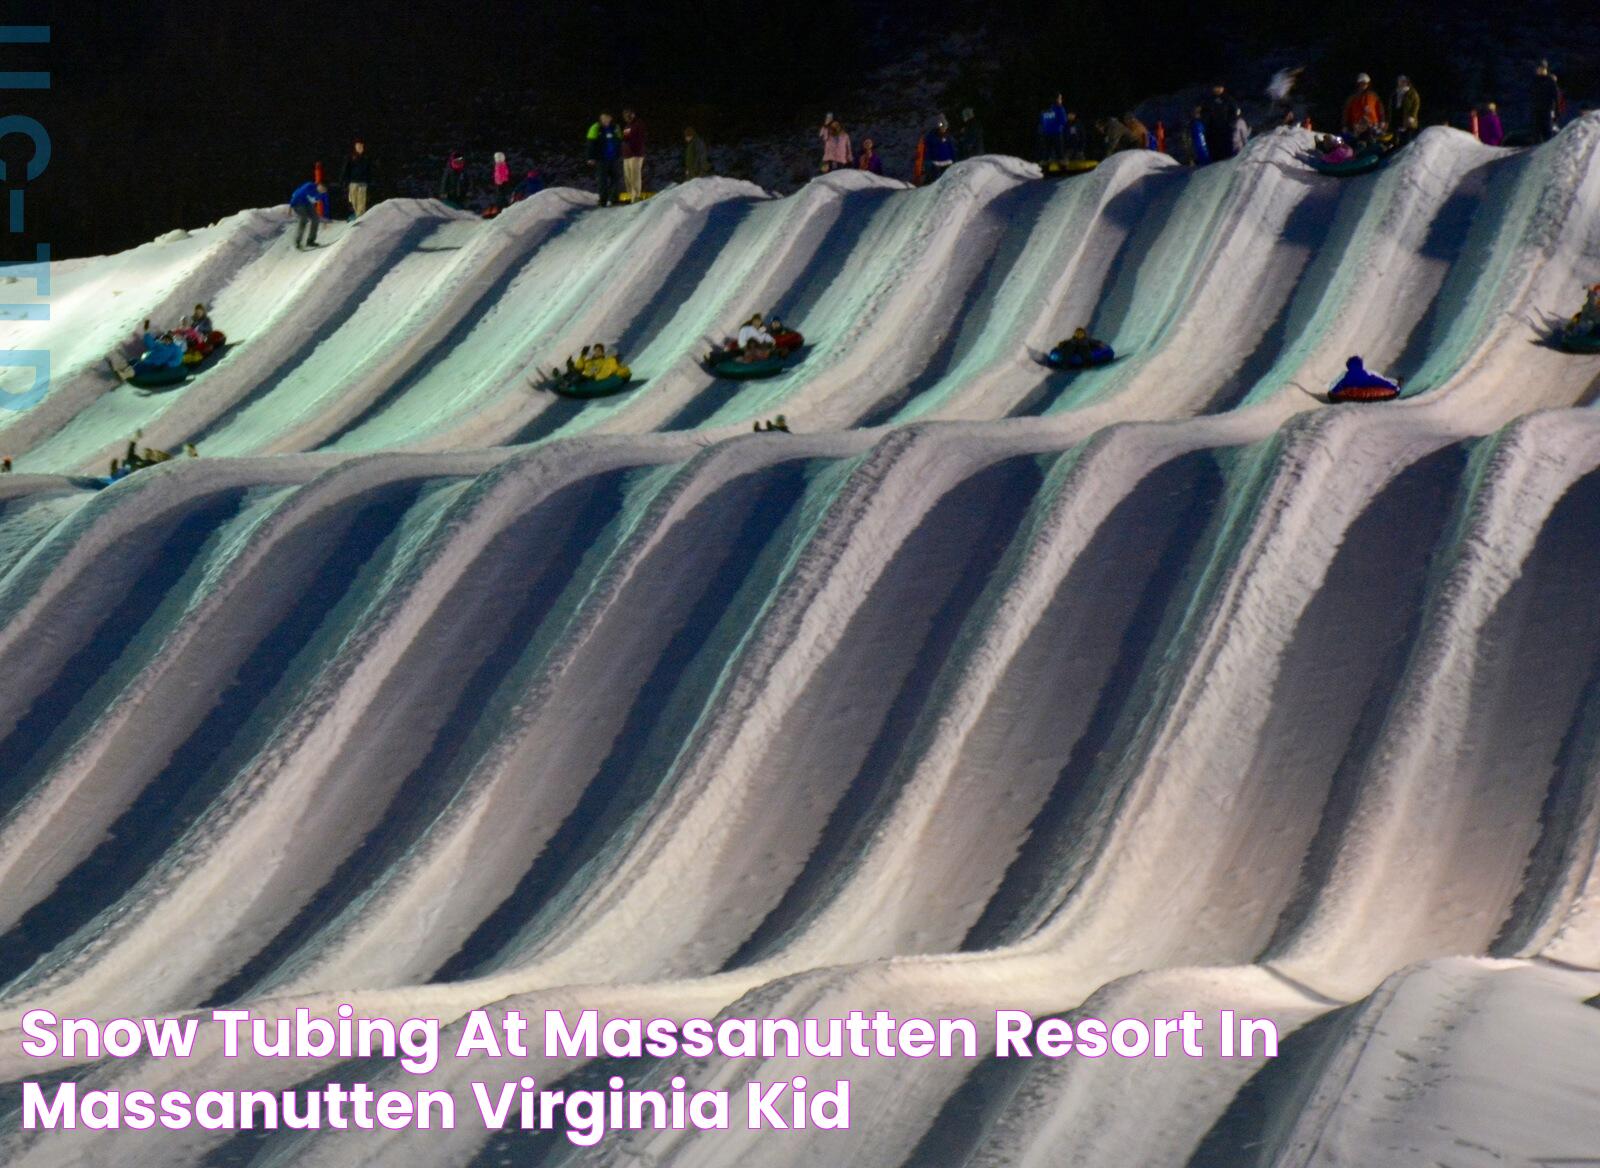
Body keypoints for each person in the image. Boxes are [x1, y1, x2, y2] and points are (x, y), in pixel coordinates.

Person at [587, 112, 624, 206]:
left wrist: (620, 153)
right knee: (602, 180)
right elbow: (590, 144)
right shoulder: (595, 127)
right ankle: (603, 200)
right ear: (600, 118)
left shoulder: (615, 127)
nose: (605, 119)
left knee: (615, 179)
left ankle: (614, 199)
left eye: (607, 117)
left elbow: (619, 141)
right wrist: (590, 157)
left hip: (614, 158)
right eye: (603, 117)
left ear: (610, 118)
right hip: (601, 159)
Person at [1328, 355, 1399, 398]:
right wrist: (1394, 387)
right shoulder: (1367, 376)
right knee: (1378, 382)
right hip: (1368, 393)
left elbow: (1337, 388)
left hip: (1351, 395)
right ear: (1361, 365)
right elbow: (1380, 382)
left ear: (1348, 366)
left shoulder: (1346, 377)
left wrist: (1333, 392)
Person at [1342, 74, 1385, 139]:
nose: (1363, 85)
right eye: (1361, 83)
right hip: (1358, 125)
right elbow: (1346, 112)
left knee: (1374, 139)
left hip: (1373, 123)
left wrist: (1382, 121)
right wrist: (1344, 125)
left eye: (1365, 83)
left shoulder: (1373, 96)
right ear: (1358, 84)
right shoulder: (1353, 97)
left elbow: (1380, 109)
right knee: (1359, 140)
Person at [1204, 83, 1239, 160]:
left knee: (1227, 150)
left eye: (1219, 87)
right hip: (1213, 130)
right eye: (1215, 87)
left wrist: (1230, 123)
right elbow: (1205, 112)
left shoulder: (1228, 98)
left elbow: (1235, 111)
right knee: (1215, 151)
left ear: (1222, 88)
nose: (1217, 89)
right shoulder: (1209, 100)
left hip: (1225, 129)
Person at [341, 139, 373, 219]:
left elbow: (370, 169)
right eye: (357, 146)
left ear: (363, 147)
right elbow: (346, 168)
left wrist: (369, 180)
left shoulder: (366, 157)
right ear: (355, 147)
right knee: (353, 200)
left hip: (363, 182)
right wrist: (343, 179)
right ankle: (357, 213)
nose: (359, 148)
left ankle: (360, 216)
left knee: (361, 200)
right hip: (353, 182)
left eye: (360, 146)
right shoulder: (351, 157)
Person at [290, 180, 326, 249]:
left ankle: (310, 241)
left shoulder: (322, 193)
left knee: (315, 219)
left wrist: (316, 198)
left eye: (324, 191)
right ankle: (298, 241)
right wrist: (290, 206)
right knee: (304, 219)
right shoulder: (309, 185)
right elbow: (298, 195)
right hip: (297, 202)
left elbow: (314, 200)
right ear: (319, 185)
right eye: (322, 189)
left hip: (307, 203)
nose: (322, 191)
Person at [1533, 60, 1561, 143]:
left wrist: (1557, 110)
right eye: (1538, 68)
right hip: (1537, 110)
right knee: (1537, 133)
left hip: (1548, 110)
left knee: (1548, 132)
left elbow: (1556, 96)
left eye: (1542, 68)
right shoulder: (1535, 81)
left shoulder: (1550, 81)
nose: (1539, 70)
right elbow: (1533, 96)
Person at [621, 109, 646, 202]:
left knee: (635, 175)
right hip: (626, 155)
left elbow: (640, 138)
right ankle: (632, 197)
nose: (627, 116)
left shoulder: (638, 124)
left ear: (633, 114)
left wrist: (631, 143)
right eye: (625, 115)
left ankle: (636, 197)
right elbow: (625, 139)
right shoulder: (627, 126)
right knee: (628, 177)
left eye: (629, 114)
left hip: (636, 154)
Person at [923, 116, 957, 182]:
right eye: (942, 127)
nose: (944, 129)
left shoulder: (948, 137)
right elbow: (927, 150)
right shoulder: (931, 137)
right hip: (936, 165)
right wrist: (927, 161)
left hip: (948, 163)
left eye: (945, 127)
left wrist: (954, 160)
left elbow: (952, 148)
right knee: (936, 182)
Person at [1391, 76, 1421, 145]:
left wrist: (1412, 116)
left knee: (1407, 139)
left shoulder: (1412, 92)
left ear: (1407, 82)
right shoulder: (1395, 92)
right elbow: (1391, 106)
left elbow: (1416, 105)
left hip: (1408, 119)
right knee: (1397, 139)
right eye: (1400, 81)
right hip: (1398, 118)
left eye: (1403, 81)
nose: (1401, 83)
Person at [1038, 97, 1067, 164]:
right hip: (1056, 133)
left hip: (1046, 134)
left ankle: (1045, 162)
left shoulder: (1043, 110)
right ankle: (1061, 164)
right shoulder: (1059, 109)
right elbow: (1064, 121)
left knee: (1046, 152)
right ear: (1056, 100)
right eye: (1060, 99)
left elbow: (1041, 122)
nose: (1061, 100)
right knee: (1059, 152)